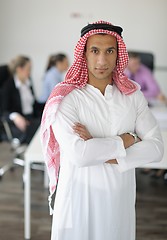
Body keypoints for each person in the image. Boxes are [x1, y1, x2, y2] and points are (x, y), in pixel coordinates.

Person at [40, 21, 164, 240]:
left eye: (110, 51)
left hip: (119, 203)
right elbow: (80, 155)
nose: (102, 60)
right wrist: (127, 140)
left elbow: (156, 149)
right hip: (78, 202)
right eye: (94, 51)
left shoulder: (132, 95)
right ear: (84, 54)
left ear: (118, 55)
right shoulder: (66, 98)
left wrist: (101, 149)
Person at [2, 55, 44, 144]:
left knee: (47, 123)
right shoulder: (8, 86)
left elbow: (34, 104)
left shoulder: (28, 82)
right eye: (28, 69)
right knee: (39, 130)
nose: (30, 72)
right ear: (19, 69)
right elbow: (3, 111)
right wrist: (14, 116)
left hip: (31, 118)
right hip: (19, 122)